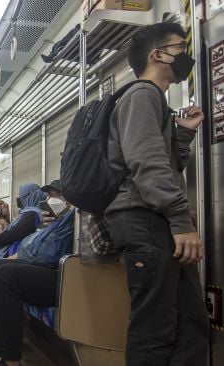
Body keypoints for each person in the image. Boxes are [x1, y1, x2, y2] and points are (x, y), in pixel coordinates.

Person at [105, 23, 208, 365]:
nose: (185, 56)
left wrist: (182, 134)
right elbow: (147, 166)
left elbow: (163, 162)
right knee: (156, 329)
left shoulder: (154, 101)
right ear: (158, 54)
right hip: (145, 219)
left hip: (154, 217)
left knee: (189, 322)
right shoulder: (141, 95)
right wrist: (182, 220)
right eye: (181, 47)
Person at [0, 190, 73, 364]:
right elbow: (35, 244)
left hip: (60, 272)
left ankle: (8, 353)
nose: (49, 199)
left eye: (56, 194)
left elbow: (46, 251)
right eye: (48, 195)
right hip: (38, 261)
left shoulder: (68, 218)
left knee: (2, 275)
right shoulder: (49, 219)